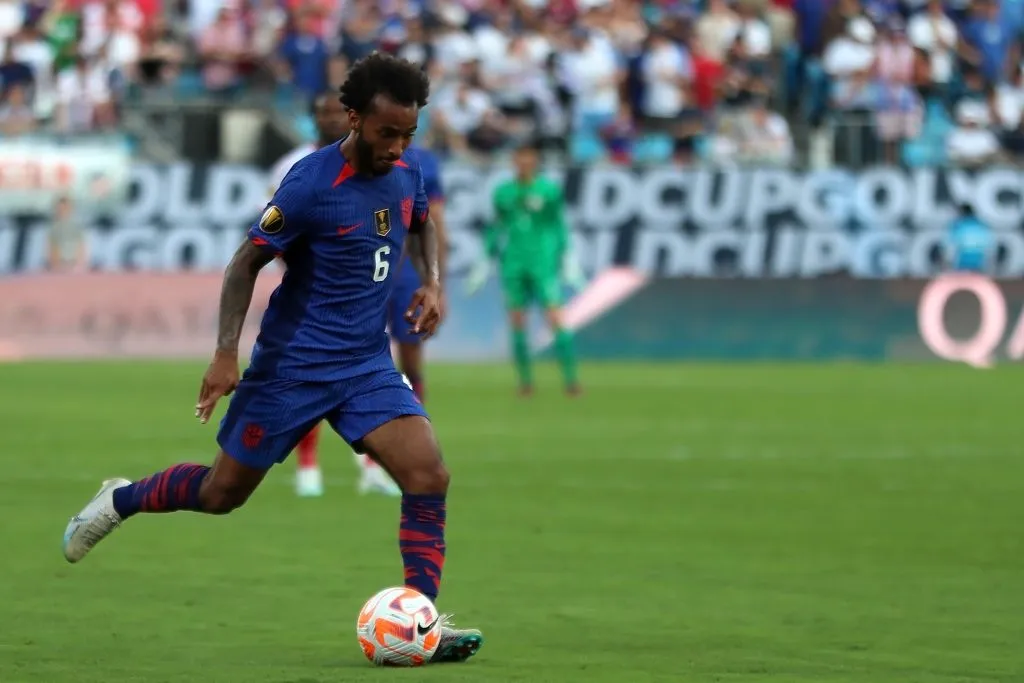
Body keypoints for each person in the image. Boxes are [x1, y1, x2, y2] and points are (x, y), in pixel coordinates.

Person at [61, 53, 484, 665]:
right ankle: (121, 498)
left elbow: (423, 225)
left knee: (428, 476)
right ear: (354, 117)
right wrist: (224, 354)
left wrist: (433, 282)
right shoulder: (310, 184)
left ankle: (419, 624)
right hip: (293, 368)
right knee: (220, 493)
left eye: (408, 134)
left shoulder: (406, 172)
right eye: (387, 132)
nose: (397, 146)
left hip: (365, 364)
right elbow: (244, 263)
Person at [266, 91, 402, 499]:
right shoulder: (290, 166)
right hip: (310, 291)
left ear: (352, 118)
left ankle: (372, 467)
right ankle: (309, 470)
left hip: (360, 292)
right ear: (313, 119)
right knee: (313, 378)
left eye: (337, 113)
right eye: (322, 112)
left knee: (369, 377)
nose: (330, 119)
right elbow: (272, 229)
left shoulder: (372, 165)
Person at [467, 141, 583, 396]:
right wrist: (484, 261)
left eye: (528, 158)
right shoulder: (503, 192)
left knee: (555, 317)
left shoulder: (548, 191)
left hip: (542, 263)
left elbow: (558, 225)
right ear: (514, 161)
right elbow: (495, 228)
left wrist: (568, 257)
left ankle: (571, 379)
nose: (524, 163)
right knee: (517, 320)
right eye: (519, 158)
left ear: (536, 161)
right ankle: (526, 382)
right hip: (513, 264)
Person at [948, 202, 993, 273]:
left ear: (961, 212)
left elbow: (950, 245)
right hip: (979, 259)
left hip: (963, 259)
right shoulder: (982, 224)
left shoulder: (958, 225)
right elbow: (989, 244)